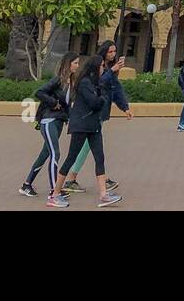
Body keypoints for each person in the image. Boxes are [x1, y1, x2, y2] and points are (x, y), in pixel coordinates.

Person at [49, 54, 121, 208]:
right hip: (81, 126)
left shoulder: (96, 83)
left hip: (93, 126)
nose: (103, 68)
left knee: (99, 158)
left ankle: (103, 195)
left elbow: (102, 96)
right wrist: (102, 98)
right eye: (101, 65)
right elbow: (94, 103)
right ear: (95, 67)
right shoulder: (85, 83)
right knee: (71, 158)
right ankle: (55, 194)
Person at [60, 40, 129, 195]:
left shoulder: (109, 69)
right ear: (104, 52)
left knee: (93, 151)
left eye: (114, 51)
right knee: (84, 150)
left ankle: (97, 181)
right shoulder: (95, 66)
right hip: (88, 116)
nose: (113, 54)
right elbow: (97, 83)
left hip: (99, 113)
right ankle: (70, 179)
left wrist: (125, 107)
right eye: (110, 51)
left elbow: (115, 88)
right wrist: (112, 71)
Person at [20, 53, 76, 197]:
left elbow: (68, 105)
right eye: (75, 63)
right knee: (55, 153)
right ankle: (54, 190)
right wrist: (53, 103)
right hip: (49, 120)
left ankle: (26, 185)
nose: (77, 65)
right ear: (68, 64)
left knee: (45, 153)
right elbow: (39, 92)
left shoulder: (71, 83)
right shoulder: (58, 80)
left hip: (59, 122)